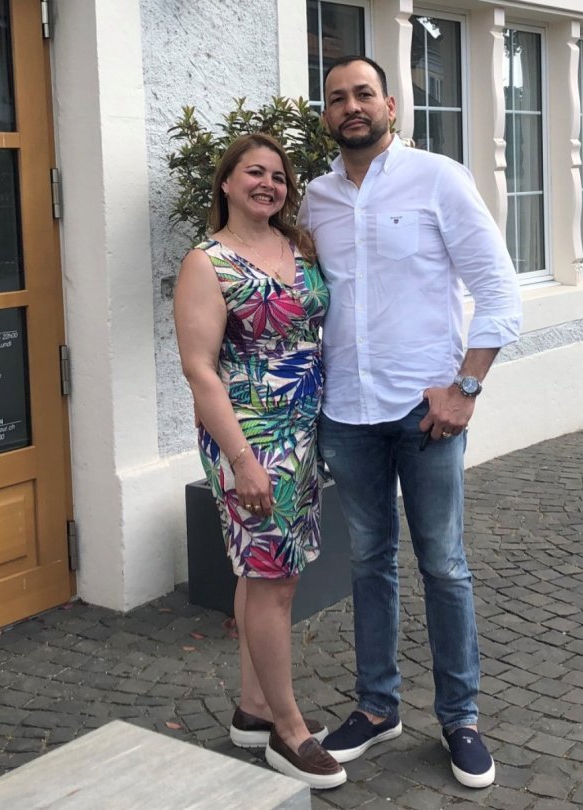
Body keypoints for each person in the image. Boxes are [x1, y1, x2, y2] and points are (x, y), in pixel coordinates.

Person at [298, 56, 523, 789]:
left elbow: (497, 289)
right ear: (326, 115)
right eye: (338, 98)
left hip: (425, 414)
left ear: (391, 105)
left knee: (444, 565)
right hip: (348, 415)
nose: (351, 106)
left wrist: (466, 389)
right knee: (368, 563)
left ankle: (460, 717)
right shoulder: (316, 199)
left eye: (364, 94)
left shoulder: (438, 177)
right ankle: (376, 707)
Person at [173, 132, 345, 790]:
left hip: (301, 434)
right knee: (271, 581)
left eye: (278, 175)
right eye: (254, 172)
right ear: (225, 182)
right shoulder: (206, 262)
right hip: (248, 440)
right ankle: (287, 727)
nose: (268, 184)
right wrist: (243, 461)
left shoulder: (298, 247)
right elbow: (199, 369)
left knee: (274, 576)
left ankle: (252, 707)